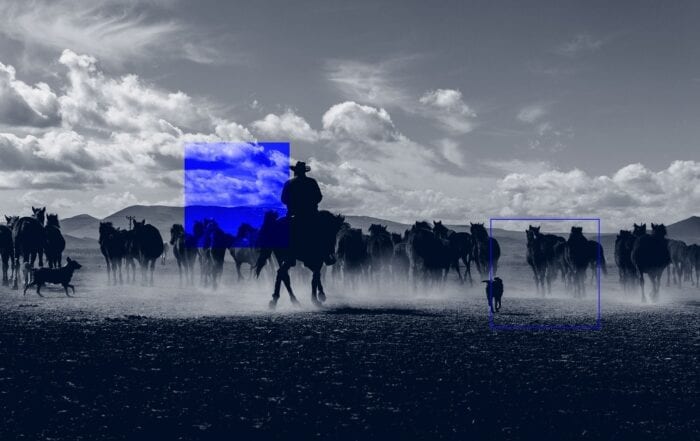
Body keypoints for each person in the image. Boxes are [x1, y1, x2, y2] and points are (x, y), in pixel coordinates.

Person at [281, 161, 335, 265]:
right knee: (326, 232)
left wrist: (293, 204)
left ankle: (288, 256)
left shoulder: (289, 183)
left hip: (293, 214)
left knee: (285, 233)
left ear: (295, 171)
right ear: (304, 171)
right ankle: (327, 255)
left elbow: (283, 199)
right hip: (311, 214)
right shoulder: (312, 182)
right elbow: (319, 197)